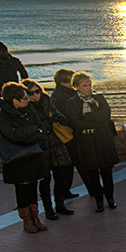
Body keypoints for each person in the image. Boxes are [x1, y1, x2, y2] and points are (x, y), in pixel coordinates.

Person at [0, 81, 53, 233]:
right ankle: (27, 220)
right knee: (22, 189)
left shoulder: (30, 110)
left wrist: (27, 133)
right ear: (14, 100)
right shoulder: (2, 115)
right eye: (25, 98)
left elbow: (42, 128)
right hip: (17, 158)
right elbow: (12, 135)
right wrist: (31, 130)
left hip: (34, 155)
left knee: (33, 187)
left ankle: (36, 217)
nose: (29, 100)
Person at [66, 72, 121, 211]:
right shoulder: (72, 103)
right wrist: (97, 121)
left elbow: (106, 115)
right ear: (76, 86)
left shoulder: (99, 98)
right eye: (84, 86)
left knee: (107, 172)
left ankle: (110, 198)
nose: (88, 88)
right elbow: (76, 123)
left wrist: (88, 117)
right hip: (86, 142)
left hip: (103, 139)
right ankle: (99, 201)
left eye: (89, 85)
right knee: (92, 174)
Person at [24, 79, 74, 219]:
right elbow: (35, 127)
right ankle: (48, 209)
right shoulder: (26, 108)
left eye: (37, 91)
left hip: (56, 143)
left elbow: (60, 116)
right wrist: (49, 122)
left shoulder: (47, 101)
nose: (35, 95)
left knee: (60, 177)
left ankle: (60, 204)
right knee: (44, 180)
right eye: (31, 93)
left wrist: (55, 120)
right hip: (41, 146)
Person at [48, 70, 85, 207]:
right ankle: (92, 189)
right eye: (72, 80)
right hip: (69, 136)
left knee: (69, 165)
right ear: (64, 82)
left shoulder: (58, 95)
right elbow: (69, 118)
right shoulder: (64, 98)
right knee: (76, 162)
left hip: (64, 136)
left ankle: (65, 191)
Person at [0, 41, 28, 112]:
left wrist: (22, 88)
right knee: (0, 112)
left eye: (5, 51)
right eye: (1, 51)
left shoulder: (14, 61)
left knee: (15, 111)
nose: (4, 53)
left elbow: (24, 74)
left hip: (13, 93)